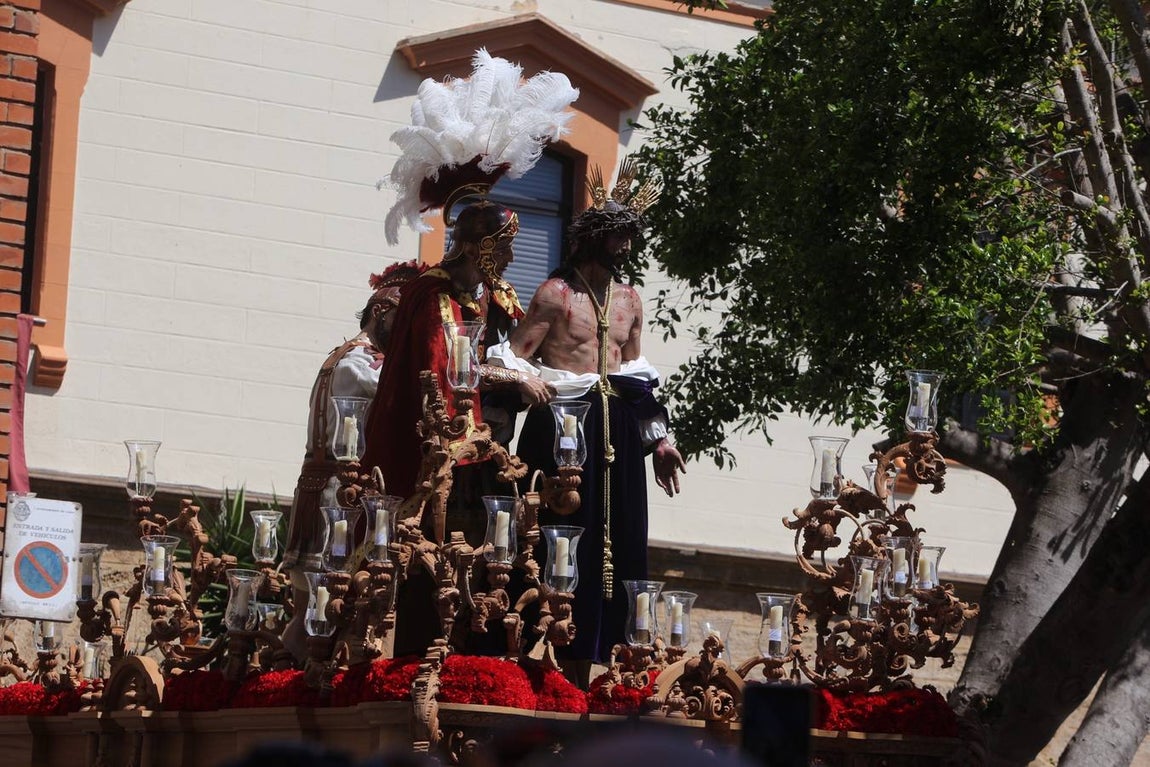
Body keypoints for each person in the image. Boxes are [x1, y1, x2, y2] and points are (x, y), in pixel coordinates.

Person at [498, 158, 686, 685]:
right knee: (560, 534)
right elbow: (515, 354)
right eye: (617, 236)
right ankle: (538, 647)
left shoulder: (630, 300)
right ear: (593, 237)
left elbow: (635, 376)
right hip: (563, 424)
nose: (626, 247)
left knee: (621, 536)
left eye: (631, 237)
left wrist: (662, 441)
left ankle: (609, 656)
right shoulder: (556, 294)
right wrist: (524, 381)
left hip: (620, 432)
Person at [361, 200, 554, 656]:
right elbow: (449, 368)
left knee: (476, 563)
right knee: (432, 563)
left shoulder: (487, 293)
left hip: (482, 452)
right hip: (441, 447)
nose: (510, 259)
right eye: (504, 248)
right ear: (479, 247)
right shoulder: (433, 294)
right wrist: (513, 377)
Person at [281, 260, 421, 660]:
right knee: (323, 610)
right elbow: (402, 394)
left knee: (315, 611)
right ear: (379, 310)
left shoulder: (344, 355)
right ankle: (296, 686)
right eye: (402, 316)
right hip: (336, 498)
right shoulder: (359, 363)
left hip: (327, 491)